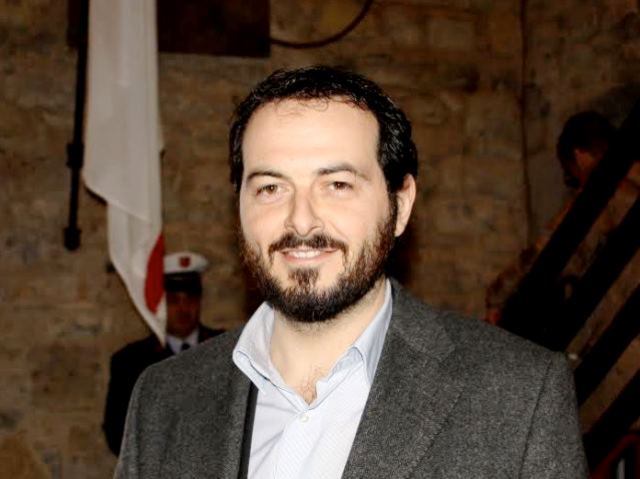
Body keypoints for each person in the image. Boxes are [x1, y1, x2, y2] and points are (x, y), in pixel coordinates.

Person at [115, 66, 587, 478]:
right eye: (271, 188)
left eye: (337, 185)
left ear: (400, 206)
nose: (301, 221)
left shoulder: (519, 396)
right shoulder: (163, 400)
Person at [103, 251, 224, 455]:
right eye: (173, 300)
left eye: (190, 299)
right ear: (160, 305)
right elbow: (117, 434)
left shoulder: (226, 350)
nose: (183, 309)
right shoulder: (130, 362)